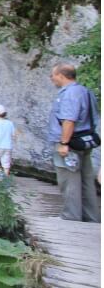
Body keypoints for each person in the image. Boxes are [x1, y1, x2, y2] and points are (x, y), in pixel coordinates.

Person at [46, 63, 101, 222]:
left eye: (53, 75)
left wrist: (64, 143)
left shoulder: (69, 94)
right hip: (84, 141)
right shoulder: (85, 91)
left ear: (61, 76)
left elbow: (69, 120)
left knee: (69, 180)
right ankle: (90, 217)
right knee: (85, 180)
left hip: (70, 144)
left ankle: (71, 217)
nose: (52, 79)